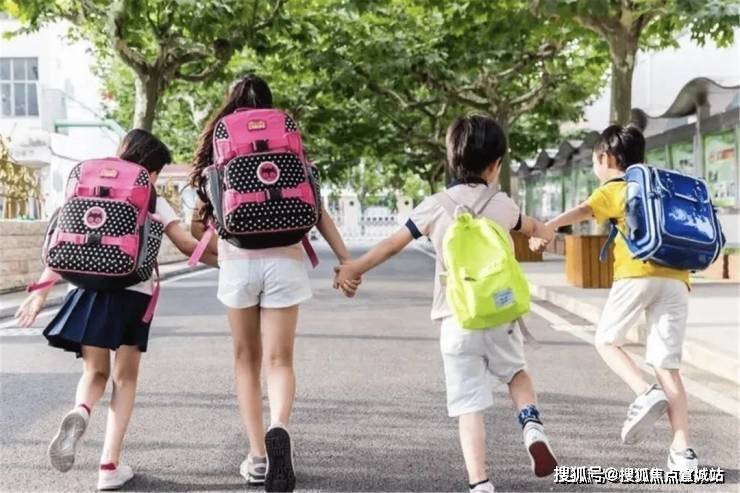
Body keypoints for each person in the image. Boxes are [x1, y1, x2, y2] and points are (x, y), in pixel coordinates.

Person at [335, 115, 557, 493]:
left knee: (468, 406)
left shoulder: (435, 206)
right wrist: (542, 236)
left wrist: (353, 268)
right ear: (495, 165)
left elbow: (391, 245)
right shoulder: (502, 204)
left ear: (451, 160)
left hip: (457, 318)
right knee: (517, 375)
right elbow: (535, 228)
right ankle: (531, 425)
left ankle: (480, 482)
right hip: (500, 312)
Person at [15, 129, 218, 491]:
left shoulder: (88, 187)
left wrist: (41, 293)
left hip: (86, 290)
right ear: (153, 170)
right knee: (124, 379)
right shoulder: (149, 195)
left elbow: (64, 241)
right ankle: (109, 466)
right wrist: (227, 260)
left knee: (94, 373)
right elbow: (187, 245)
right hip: (132, 294)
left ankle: (81, 410)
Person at [189, 74, 358, 492]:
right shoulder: (286, 139)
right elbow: (316, 210)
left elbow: (197, 226)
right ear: (269, 103)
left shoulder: (221, 143)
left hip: (238, 262)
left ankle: (257, 457)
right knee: (280, 360)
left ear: (230, 103)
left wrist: (224, 251)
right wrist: (345, 260)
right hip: (285, 260)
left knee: (246, 360)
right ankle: (278, 426)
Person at [530, 124, 697, 472]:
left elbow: (582, 210)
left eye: (595, 160)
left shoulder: (616, 187)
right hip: (677, 279)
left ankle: (644, 391)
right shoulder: (659, 188)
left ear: (605, 158)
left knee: (606, 340)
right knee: (667, 366)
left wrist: (547, 229)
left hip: (636, 275)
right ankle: (683, 452)